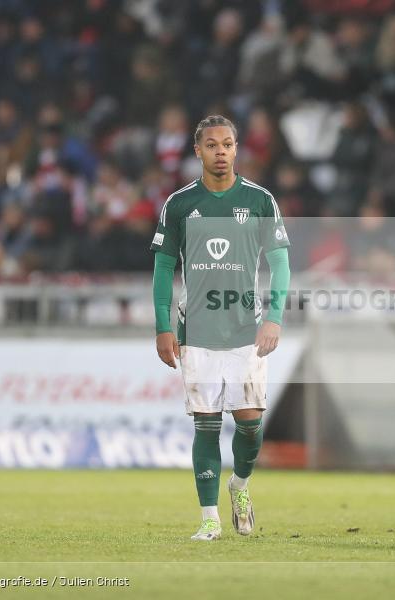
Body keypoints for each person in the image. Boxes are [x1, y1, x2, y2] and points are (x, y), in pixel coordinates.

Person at [150, 115, 291, 541]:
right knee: (206, 423)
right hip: (197, 333)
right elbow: (163, 268)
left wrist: (274, 316)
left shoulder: (260, 200)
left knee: (249, 425)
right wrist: (162, 325)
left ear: (236, 148)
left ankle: (241, 485)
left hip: (245, 331)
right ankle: (209, 517)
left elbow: (280, 263)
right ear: (198, 151)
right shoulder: (179, 205)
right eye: (211, 145)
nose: (221, 152)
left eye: (227, 144)